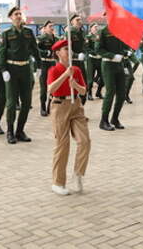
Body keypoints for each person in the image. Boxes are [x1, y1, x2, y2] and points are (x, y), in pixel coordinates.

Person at [47, 39, 91, 196]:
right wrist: (65, 75)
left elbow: (84, 91)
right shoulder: (54, 70)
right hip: (59, 106)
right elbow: (51, 89)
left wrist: (76, 86)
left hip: (76, 105)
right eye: (66, 49)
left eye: (70, 49)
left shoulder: (76, 70)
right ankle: (58, 182)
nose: (70, 52)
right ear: (58, 53)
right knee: (62, 144)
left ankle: (78, 174)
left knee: (84, 141)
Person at [0, 7, 41, 144]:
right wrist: (3, 70)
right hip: (12, 70)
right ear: (10, 17)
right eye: (16, 14)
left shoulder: (28, 32)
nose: (19, 16)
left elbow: (35, 49)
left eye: (20, 14)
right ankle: (10, 131)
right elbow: (0, 53)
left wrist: (39, 66)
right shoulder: (6, 33)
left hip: (26, 69)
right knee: (11, 103)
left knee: (26, 103)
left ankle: (20, 130)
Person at [96, 24, 129, 131]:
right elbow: (98, 49)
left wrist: (125, 52)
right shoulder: (103, 31)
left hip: (119, 64)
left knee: (122, 93)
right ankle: (103, 120)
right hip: (108, 65)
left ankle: (115, 118)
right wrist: (112, 56)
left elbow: (121, 48)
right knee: (110, 92)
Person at [37, 20, 57, 116]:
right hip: (44, 63)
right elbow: (35, 49)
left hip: (52, 64)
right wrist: (45, 52)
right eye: (50, 26)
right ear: (44, 28)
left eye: (53, 26)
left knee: (53, 86)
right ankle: (42, 107)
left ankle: (50, 105)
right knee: (44, 87)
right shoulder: (41, 38)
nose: (52, 28)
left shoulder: (55, 38)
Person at [67, 14, 87, 105]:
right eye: (77, 20)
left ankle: (81, 108)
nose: (79, 21)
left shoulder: (82, 32)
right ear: (72, 22)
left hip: (81, 62)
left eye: (80, 19)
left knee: (84, 85)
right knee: (73, 86)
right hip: (73, 62)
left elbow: (85, 47)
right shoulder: (69, 32)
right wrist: (76, 56)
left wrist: (84, 54)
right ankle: (74, 110)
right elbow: (67, 48)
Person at [84, 23, 102, 101]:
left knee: (103, 78)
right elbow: (87, 48)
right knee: (90, 79)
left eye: (97, 27)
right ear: (90, 28)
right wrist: (95, 52)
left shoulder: (99, 37)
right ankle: (89, 94)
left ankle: (98, 92)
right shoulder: (88, 37)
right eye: (95, 27)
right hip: (91, 59)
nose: (96, 28)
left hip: (99, 59)